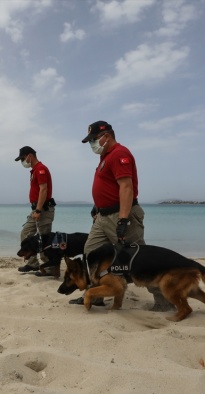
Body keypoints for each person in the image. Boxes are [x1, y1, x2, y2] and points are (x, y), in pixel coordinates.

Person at [73, 121, 173, 311]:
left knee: (140, 259)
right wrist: (98, 205)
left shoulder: (120, 154)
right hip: (102, 217)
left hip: (120, 214)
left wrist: (123, 219)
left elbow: (126, 187)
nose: (92, 144)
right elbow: (108, 185)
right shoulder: (105, 156)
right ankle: (97, 295)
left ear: (106, 136)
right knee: (91, 251)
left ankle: (164, 301)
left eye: (93, 140)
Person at [15, 146, 56, 276]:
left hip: (43, 209)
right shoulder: (34, 171)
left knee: (44, 239)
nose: (23, 161)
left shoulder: (41, 169)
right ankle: (32, 263)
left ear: (29, 156)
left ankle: (49, 268)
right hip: (36, 209)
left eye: (23, 158)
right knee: (26, 233)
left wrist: (38, 210)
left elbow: (43, 190)